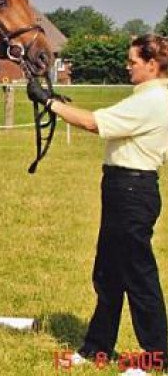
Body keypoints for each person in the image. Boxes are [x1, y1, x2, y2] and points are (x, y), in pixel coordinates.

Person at [28, 34, 168, 375]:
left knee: (138, 275)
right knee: (108, 273)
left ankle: (156, 358)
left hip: (133, 190)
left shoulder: (152, 100)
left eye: (133, 61)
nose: (127, 66)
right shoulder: (149, 97)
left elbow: (94, 123)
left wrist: (50, 103)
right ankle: (96, 347)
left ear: (152, 65)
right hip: (123, 189)